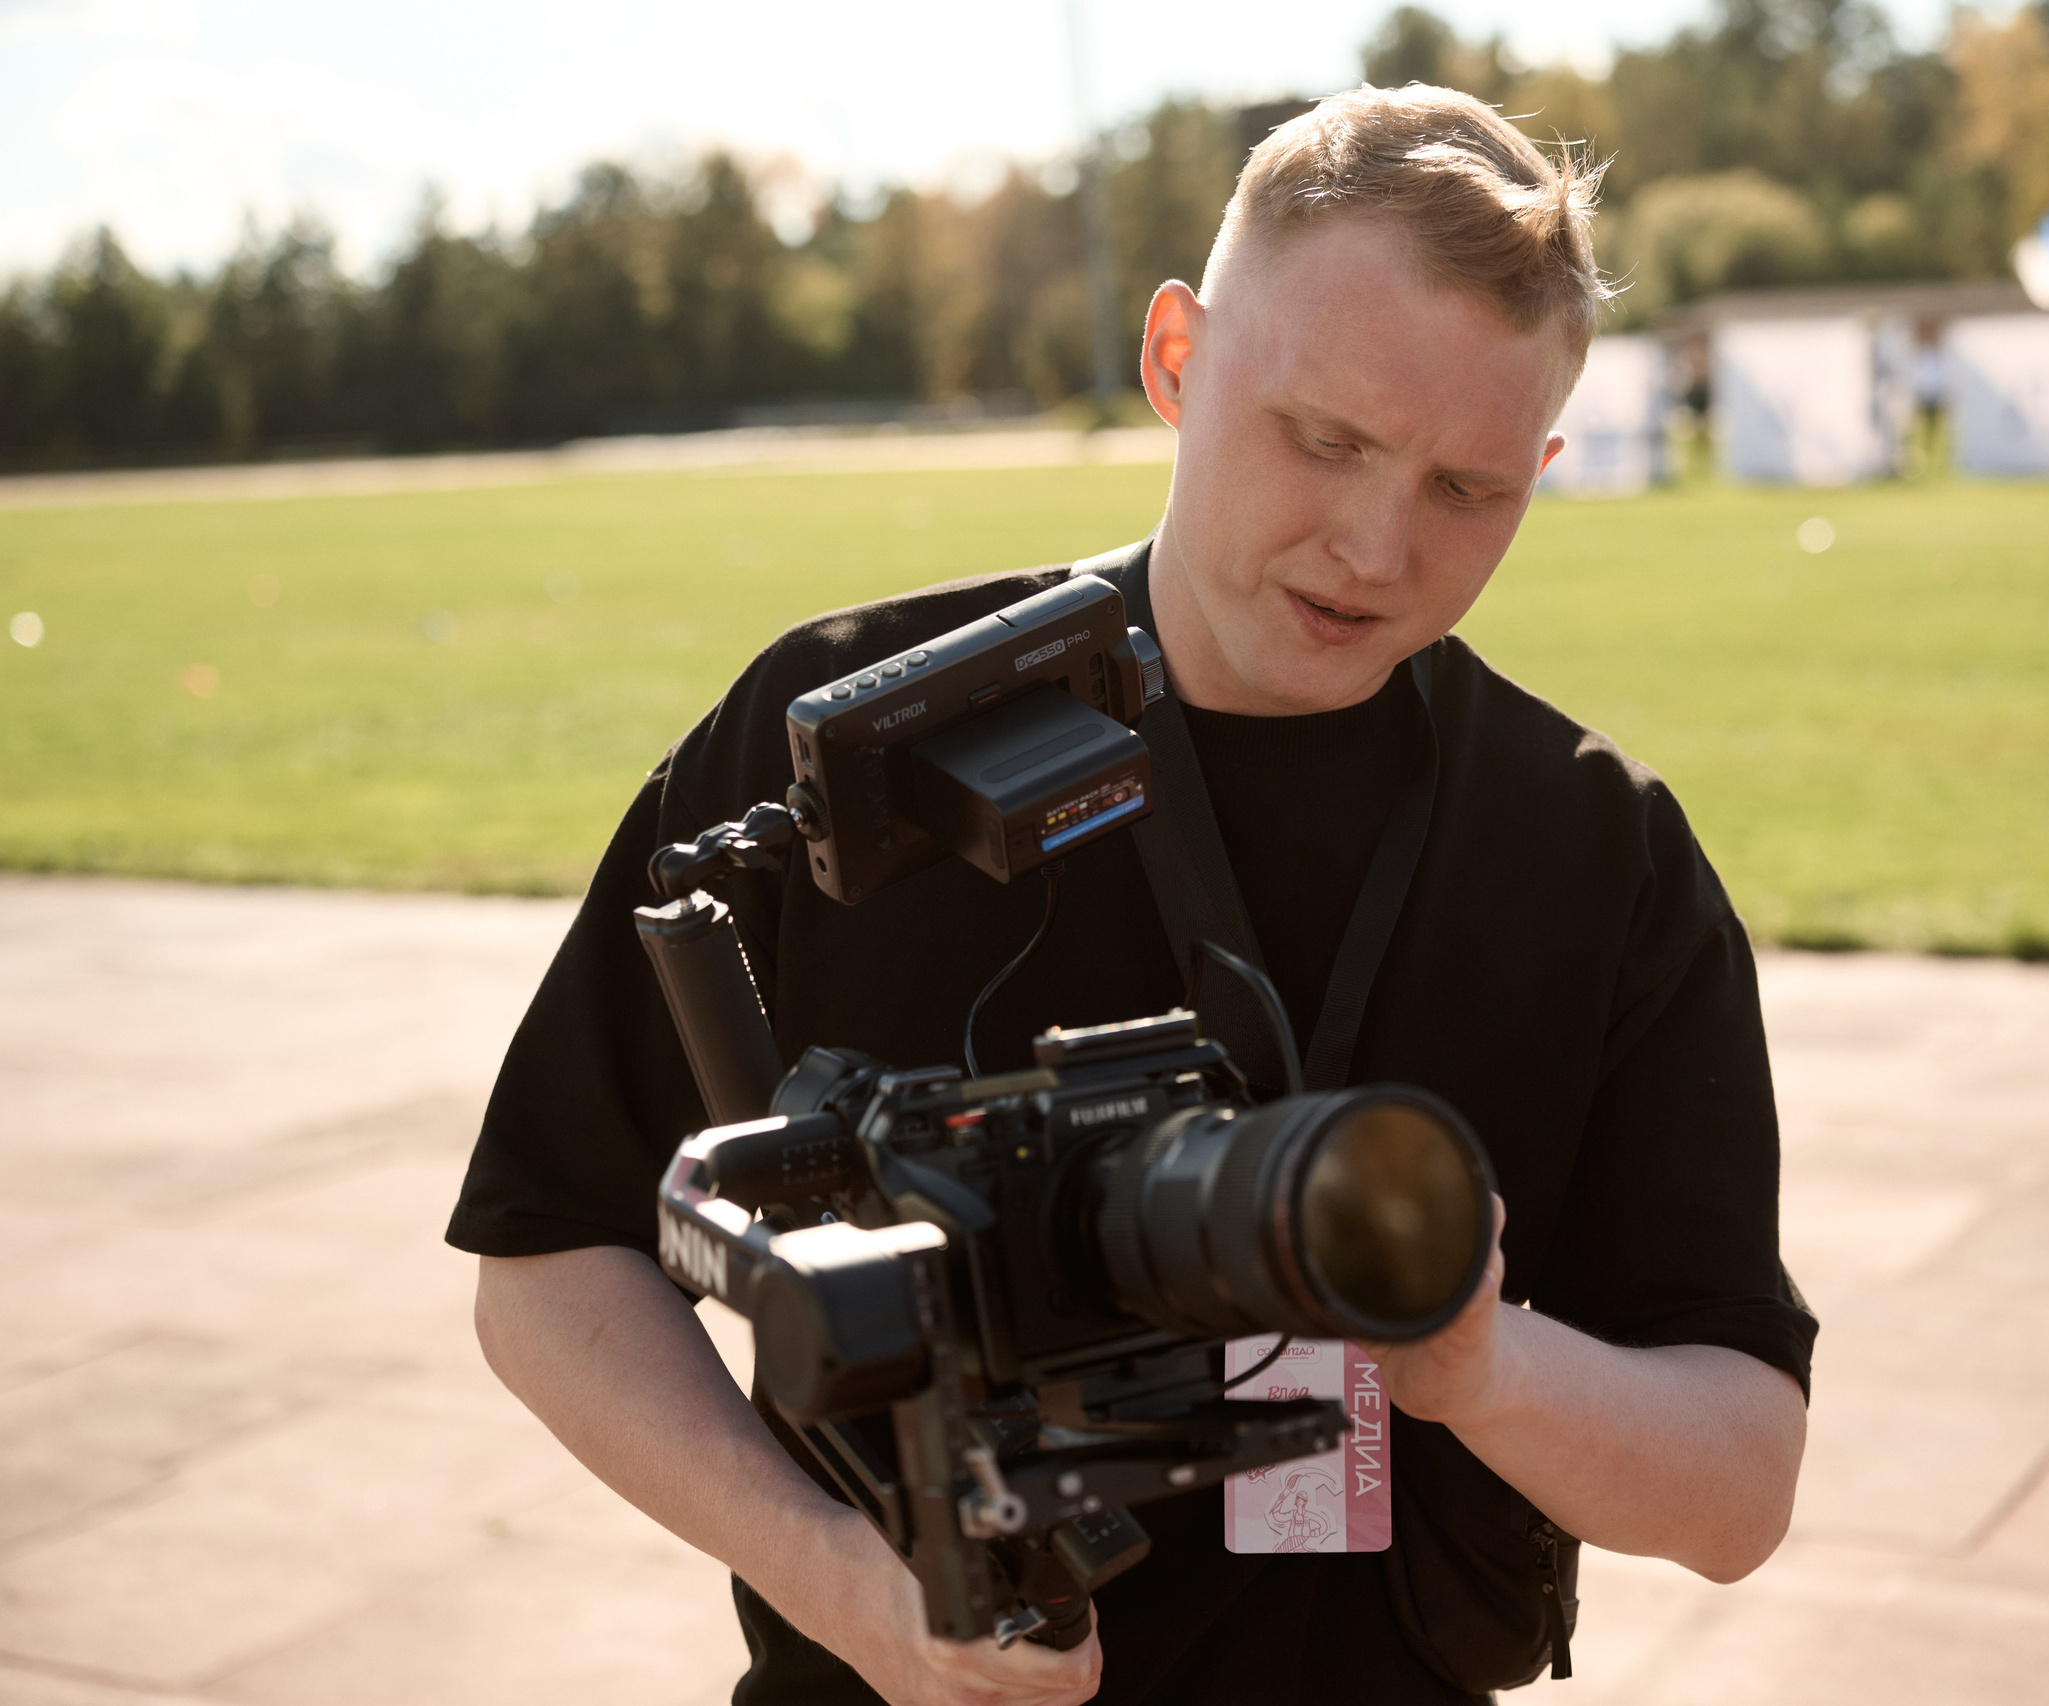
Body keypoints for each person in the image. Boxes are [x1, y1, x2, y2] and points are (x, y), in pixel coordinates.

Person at [451, 84, 1814, 1706]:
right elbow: (546, 1260)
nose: (1378, 547)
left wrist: (1485, 1365)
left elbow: (1742, 1482)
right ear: (1177, 356)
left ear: (1548, 461)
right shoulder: (844, 741)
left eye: (1472, 489)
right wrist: (842, 1586)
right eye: (1327, 439)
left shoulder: (1597, 848)